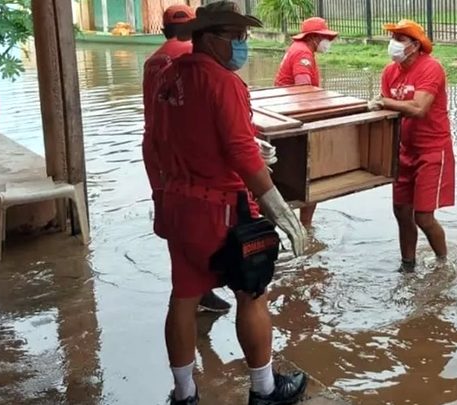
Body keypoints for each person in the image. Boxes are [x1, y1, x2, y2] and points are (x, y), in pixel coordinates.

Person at [146, 2, 308, 404]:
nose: (242, 44)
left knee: (183, 297)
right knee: (252, 293)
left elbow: (162, 139)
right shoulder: (223, 82)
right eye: (236, 37)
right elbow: (238, 152)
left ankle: (184, 394)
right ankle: (265, 390)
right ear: (210, 38)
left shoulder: (169, 77)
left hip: (178, 205)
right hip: (220, 209)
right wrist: (281, 211)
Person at [142, 4, 233, 314]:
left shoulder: (154, 61)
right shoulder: (190, 59)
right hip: (190, 156)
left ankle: (189, 288)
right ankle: (200, 291)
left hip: (158, 151)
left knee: (174, 224)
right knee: (204, 231)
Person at [368, 19, 455, 273]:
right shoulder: (390, 72)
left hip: (432, 150)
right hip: (404, 151)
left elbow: (418, 108)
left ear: (415, 45)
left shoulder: (431, 68)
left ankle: (443, 265)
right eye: (392, 38)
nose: (393, 44)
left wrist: (384, 102)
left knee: (424, 217)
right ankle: (407, 265)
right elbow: (387, 115)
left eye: (400, 39)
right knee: (401, 212)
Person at [274, 17, 338, 228]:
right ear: (313, 37)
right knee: (312, 174)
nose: (328, 41)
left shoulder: (298, 48)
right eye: (324, 37)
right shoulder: (303, 53)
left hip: (285, 114)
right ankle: (305, 227)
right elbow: (305, 91)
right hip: (295, 118)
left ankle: (300, 225)